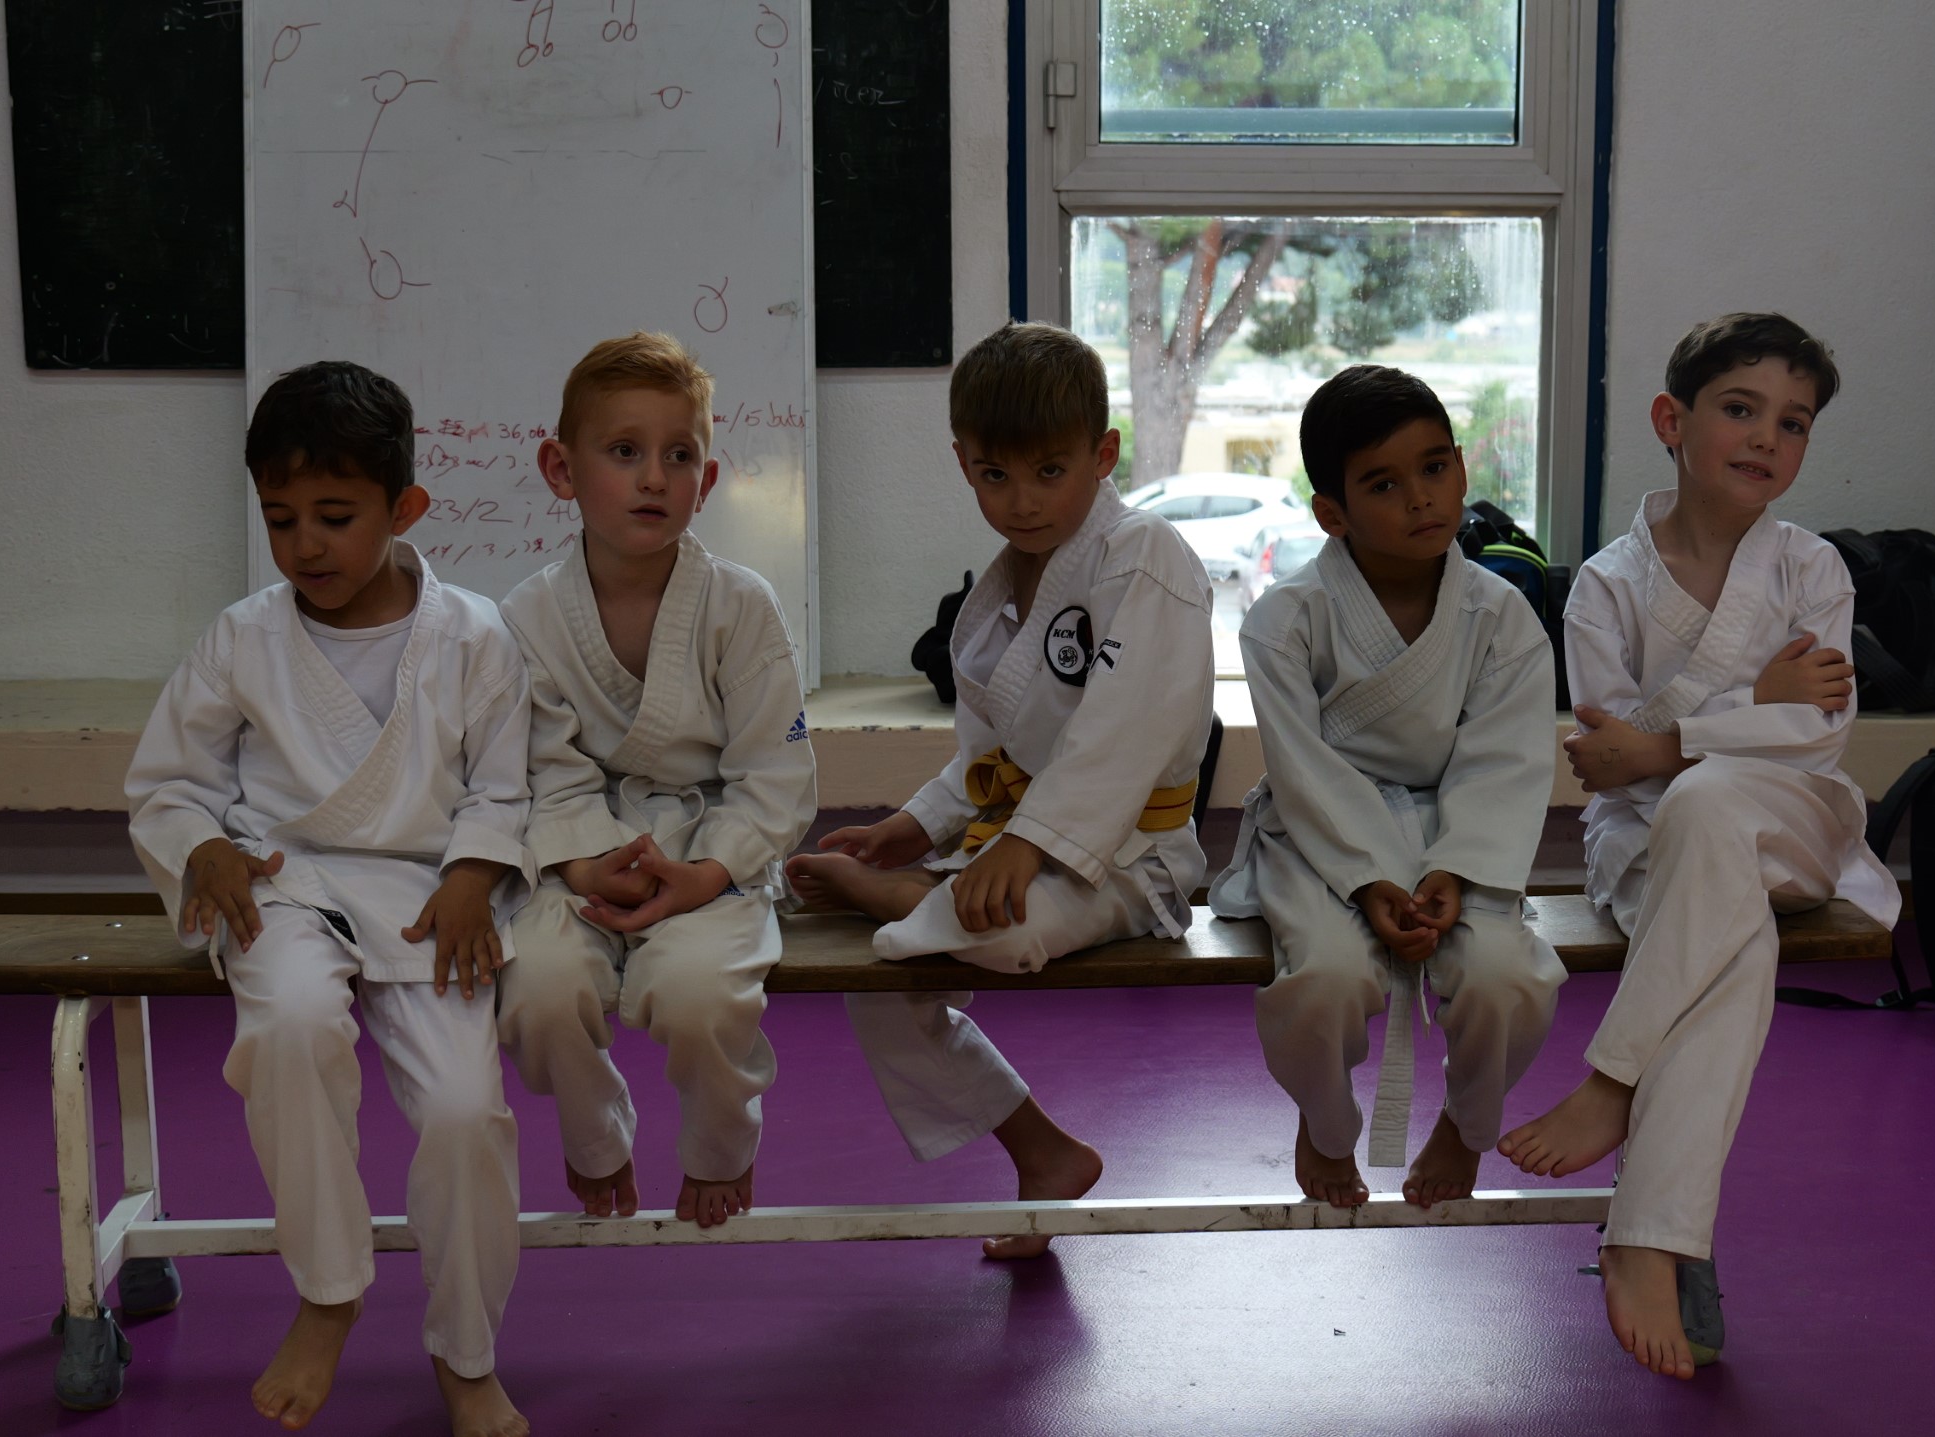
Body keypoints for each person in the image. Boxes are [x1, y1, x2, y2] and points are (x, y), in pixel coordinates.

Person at [125, 361, 535, 1436]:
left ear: (405, 509)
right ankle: (329, 1290)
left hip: (429, 899)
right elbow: (169, 782)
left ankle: (467, 1352)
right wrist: (204, 846)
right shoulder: (243, 637)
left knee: (464, 1111)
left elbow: (504, 786)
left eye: (336, 517)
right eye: (281, 519)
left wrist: (474, 872)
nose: (306, 544)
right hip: (283, 886)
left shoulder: (476, 634)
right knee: (292, 1027)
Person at [1497, 313, 1901, 1380]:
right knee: (1734, 937)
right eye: (1740, 408)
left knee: (1714, 795)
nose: (1767, 436)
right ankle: (1650, 1236)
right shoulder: (1605, 585)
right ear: (1670, 420)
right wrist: (1741, 708)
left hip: (1795, 824)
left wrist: (1673, 740)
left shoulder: (1811, 569)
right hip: (1649, 844)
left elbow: (1813, 735)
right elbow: (1610, 762)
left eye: (1793, 422)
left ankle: (1612, 1076)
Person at [786, 321, 1214, 1259]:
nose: (1021, 500)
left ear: (1103, 454)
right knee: (879, 986)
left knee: (1005, 930)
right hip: (1028, 839)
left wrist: (1029, 842)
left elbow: (1123, 731)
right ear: (963, 463)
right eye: (994, 474)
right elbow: (993, 758)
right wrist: (915, 822)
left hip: (1130, 859)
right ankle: (1043, 1151)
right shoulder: (1003, 588)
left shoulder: (1143, 554)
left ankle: (906, 899)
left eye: (1049, 472)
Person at [1210, 364, 1565, 1212]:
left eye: (1436, 466)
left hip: (1460, 828)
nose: (1421, 498)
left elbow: (1505, 756)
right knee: (1325, 978)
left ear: (1463, 468)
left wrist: (1458, 867)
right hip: (1320, 833)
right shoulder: (1285, 620)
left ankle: (1467, 1125)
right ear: (1331, 513)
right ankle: (1325, 1121)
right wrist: (1369, 876)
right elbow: (1302, 766)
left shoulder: (1501, 614)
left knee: (1508, 978)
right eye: (1383, 483)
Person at [493, 332, 817, 1230]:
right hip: (579, 856)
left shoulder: (742, 606)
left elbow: (775, 773)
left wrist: (707, 872)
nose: (652, 478)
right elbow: (542, 769)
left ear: (705, 482)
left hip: (710, 853)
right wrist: (585, 861)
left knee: (700, 994)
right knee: (539, 988)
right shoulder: (526, 616)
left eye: (679, 456)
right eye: (624, 450)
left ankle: (721, 1144)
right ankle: (595, 1135)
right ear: (561, 469)